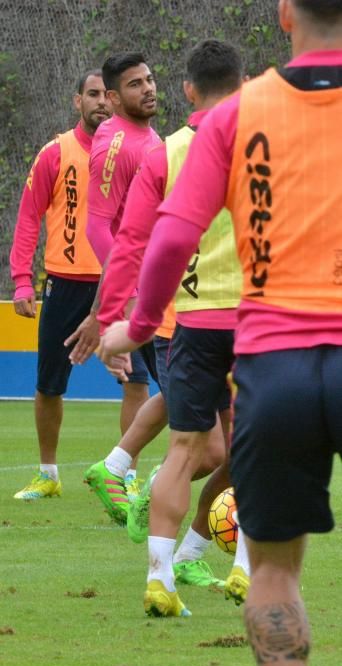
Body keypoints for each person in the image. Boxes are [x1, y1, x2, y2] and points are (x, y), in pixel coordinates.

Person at [97, 1, 342, 666]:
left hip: (270, 361)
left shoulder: (235, 116)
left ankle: (167, 566)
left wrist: (138, 326)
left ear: (285, 13)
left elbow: (170, 240)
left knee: (272, 573)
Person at [96, 39, 250, 612]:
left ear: (188, 89)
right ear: (246, 84)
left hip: (193, 323)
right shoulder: (267, 144)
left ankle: (160, 576)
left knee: (184, 450)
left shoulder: (166, 154)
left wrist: (118, 321)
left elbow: (134, 242)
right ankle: (245, 569)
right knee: (253, 451)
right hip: (261, 323)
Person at [10, 69, 113, 500]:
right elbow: (29, 215)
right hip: (65, 285)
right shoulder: (55, 152)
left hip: (118, 282)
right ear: (77, 101)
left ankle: (123, 478)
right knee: (50, 383)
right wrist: (21, 281)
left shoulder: (131, 151)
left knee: (138, 380)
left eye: (106, 95)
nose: (101, 102)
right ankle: (49, 473)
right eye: (92, 95)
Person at [65, 52, 161, 513]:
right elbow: (99, 228)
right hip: (149, 297)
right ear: (113, 97)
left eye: (149, 79)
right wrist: (121, 305)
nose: (147, 88)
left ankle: (124, 472)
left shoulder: (146, 134)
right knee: (197, 400)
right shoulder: (116, 144)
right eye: (135, 84)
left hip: (163, 287)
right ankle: (130, 477)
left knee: (188, 398)